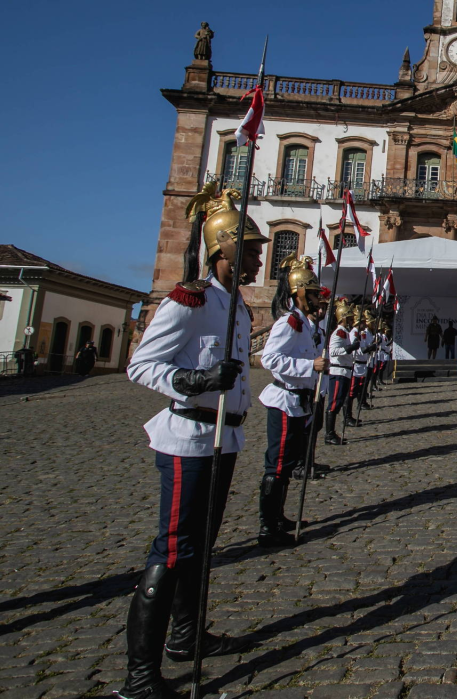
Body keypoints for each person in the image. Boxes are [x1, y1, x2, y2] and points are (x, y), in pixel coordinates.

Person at [117, 182, 266, 699]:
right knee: (174, 548)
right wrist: (197, 382)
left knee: (201, 546)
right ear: (222, 248)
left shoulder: (238, 307)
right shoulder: (191, 300)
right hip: (188, 438)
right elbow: (142, 365)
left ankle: (185, 637)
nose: (256, 259)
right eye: (249, 250)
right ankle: (139, 676)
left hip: (225, 439)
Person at [257, 254, 328, 548]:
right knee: (277, 464)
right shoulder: (289, 322)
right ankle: (267, 526)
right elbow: (269, 358)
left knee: (287, 464)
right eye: (312, 293)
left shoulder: (307, 324)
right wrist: (308, 368)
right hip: (285, 399)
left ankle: (280, 516)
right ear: (299, 293)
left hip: (300, 400)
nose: (316, 298)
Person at [326, 300, 357, 443]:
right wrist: (349, 349)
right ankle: (329, 433)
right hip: (338, 372)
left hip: (345, 371)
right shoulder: (339, 332)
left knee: (339, 401)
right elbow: (333, 352)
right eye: (350, 318)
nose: (352, 321)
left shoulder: (345, 332)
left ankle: (332, 432)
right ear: (343, 318)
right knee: (334, 403)